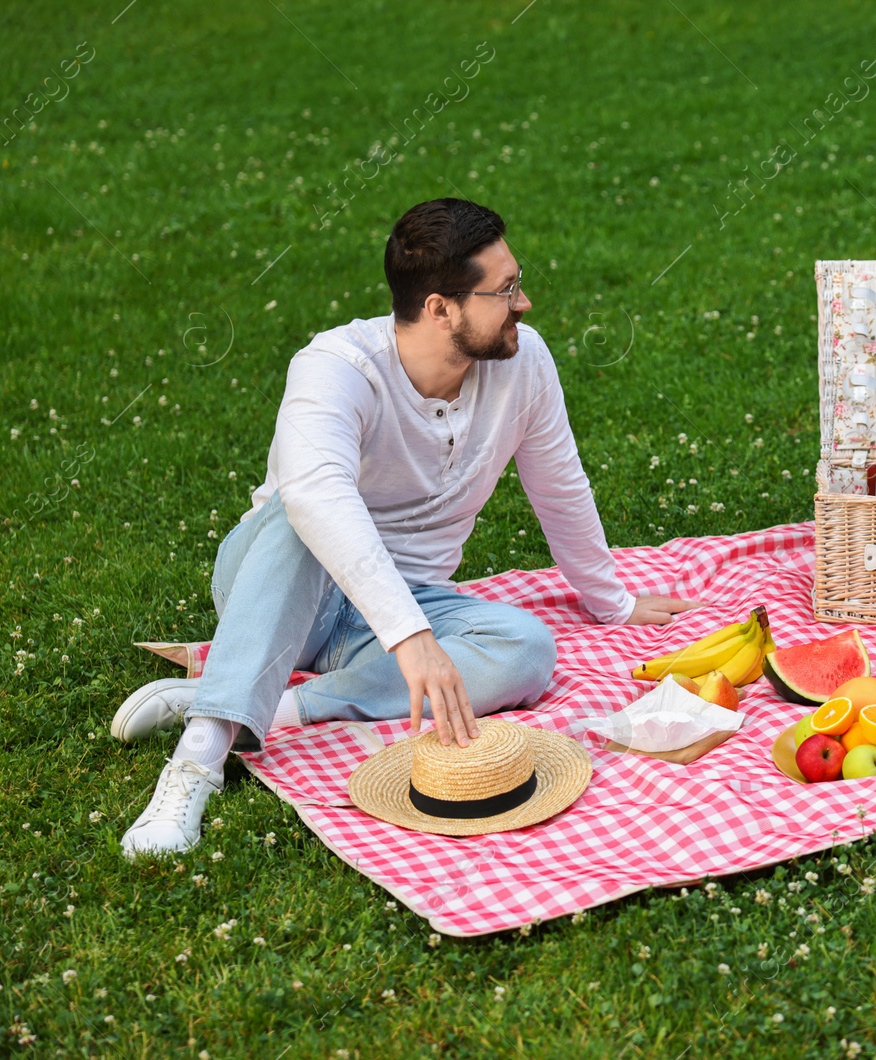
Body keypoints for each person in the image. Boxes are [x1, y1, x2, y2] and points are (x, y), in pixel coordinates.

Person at [114, 198, 697, 857]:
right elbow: (316, 500)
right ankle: (197, 757)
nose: (525, 302)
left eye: (518, 280)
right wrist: (412, 640)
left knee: (528, 651)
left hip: (399, 605)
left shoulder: (524, 362)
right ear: (440, 309)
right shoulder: (336, 365)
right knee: (304, 509)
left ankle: (274, 703)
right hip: (285, 585)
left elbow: (558, 482)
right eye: (504, 290)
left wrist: (612, 601)